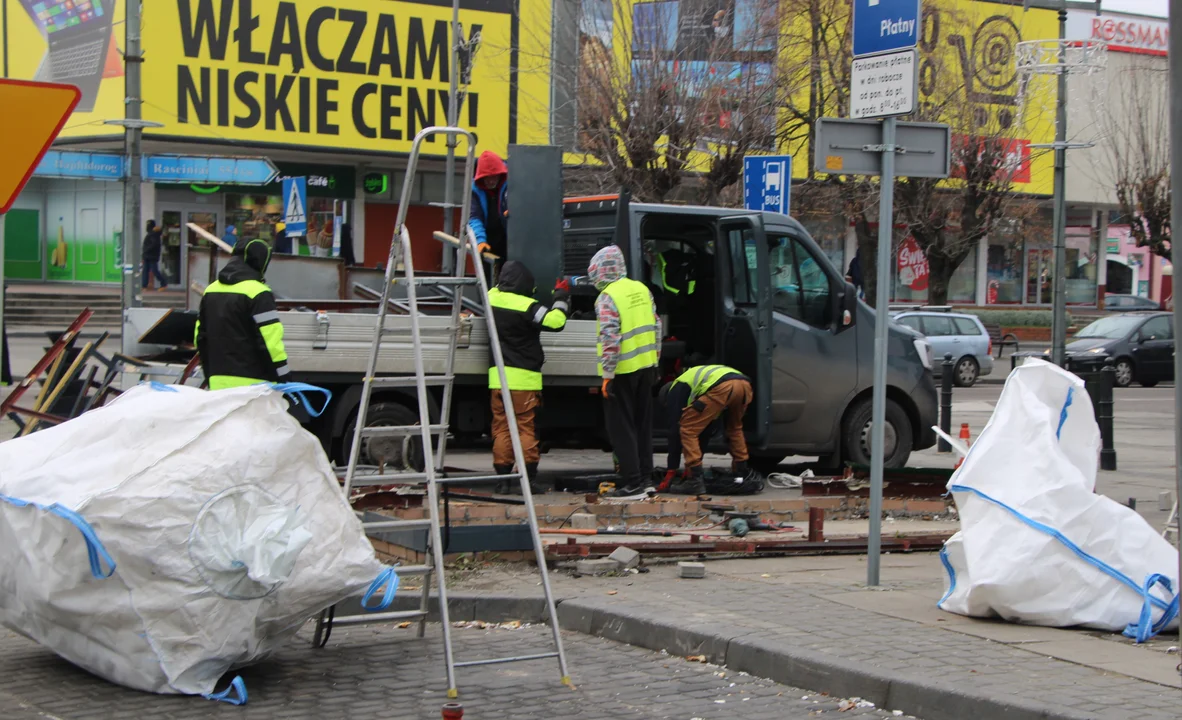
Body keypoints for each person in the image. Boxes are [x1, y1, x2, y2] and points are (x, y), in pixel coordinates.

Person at [486, 261, 570, 494]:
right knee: (525, 429)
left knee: (501, 429)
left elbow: (493, 289)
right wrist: (561, 296)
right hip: (524, 379)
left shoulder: (490, 298)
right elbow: (556, 322)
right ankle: (528, 480)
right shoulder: (528, 306)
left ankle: (502, 482)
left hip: (498, 379)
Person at [589, 244, 661, 497]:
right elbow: (657, 326)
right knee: (643, 425)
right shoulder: (642, 289)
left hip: (622, 371)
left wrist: (607, 375)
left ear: (600, 271)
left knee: (622, 428)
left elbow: (610, 337)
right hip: (646, 367)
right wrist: (655, 360)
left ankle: (632, 483)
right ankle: (646, 479)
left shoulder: (607, 296)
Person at [194, 238, 289, 390]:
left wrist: (210, 374)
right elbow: (270, 343)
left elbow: (200, 337)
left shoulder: (211, 290)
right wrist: (284, 378)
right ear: (261, 261)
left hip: (218, 383)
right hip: (254, 386)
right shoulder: (258, 292)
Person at [659, 364, 755, 495]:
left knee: (687, 429)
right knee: (734, 428)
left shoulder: (676, 390)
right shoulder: (692, 381)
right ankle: (741, 473)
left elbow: (675, 432)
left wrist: (672, 469)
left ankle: (694, 482)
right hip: (744, 385)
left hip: (722, 387)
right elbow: (706, 431)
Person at [469, 151, 509, 260]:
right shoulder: (475, 191)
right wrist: (480, 240)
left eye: (494, 177)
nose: (491, 181)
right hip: (489, 241)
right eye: (487, 178)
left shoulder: (512, 184)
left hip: (511, 241)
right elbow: (475, 218)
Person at [141, 219, 168, 291]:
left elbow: (154, 244)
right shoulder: (152, 233)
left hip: (151, 256)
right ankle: (144, 286)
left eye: (148, 225)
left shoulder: (154, 234)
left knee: (154, 270)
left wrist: (146, 250)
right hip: (148, 255)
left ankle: (164, 283)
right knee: (145, 270)